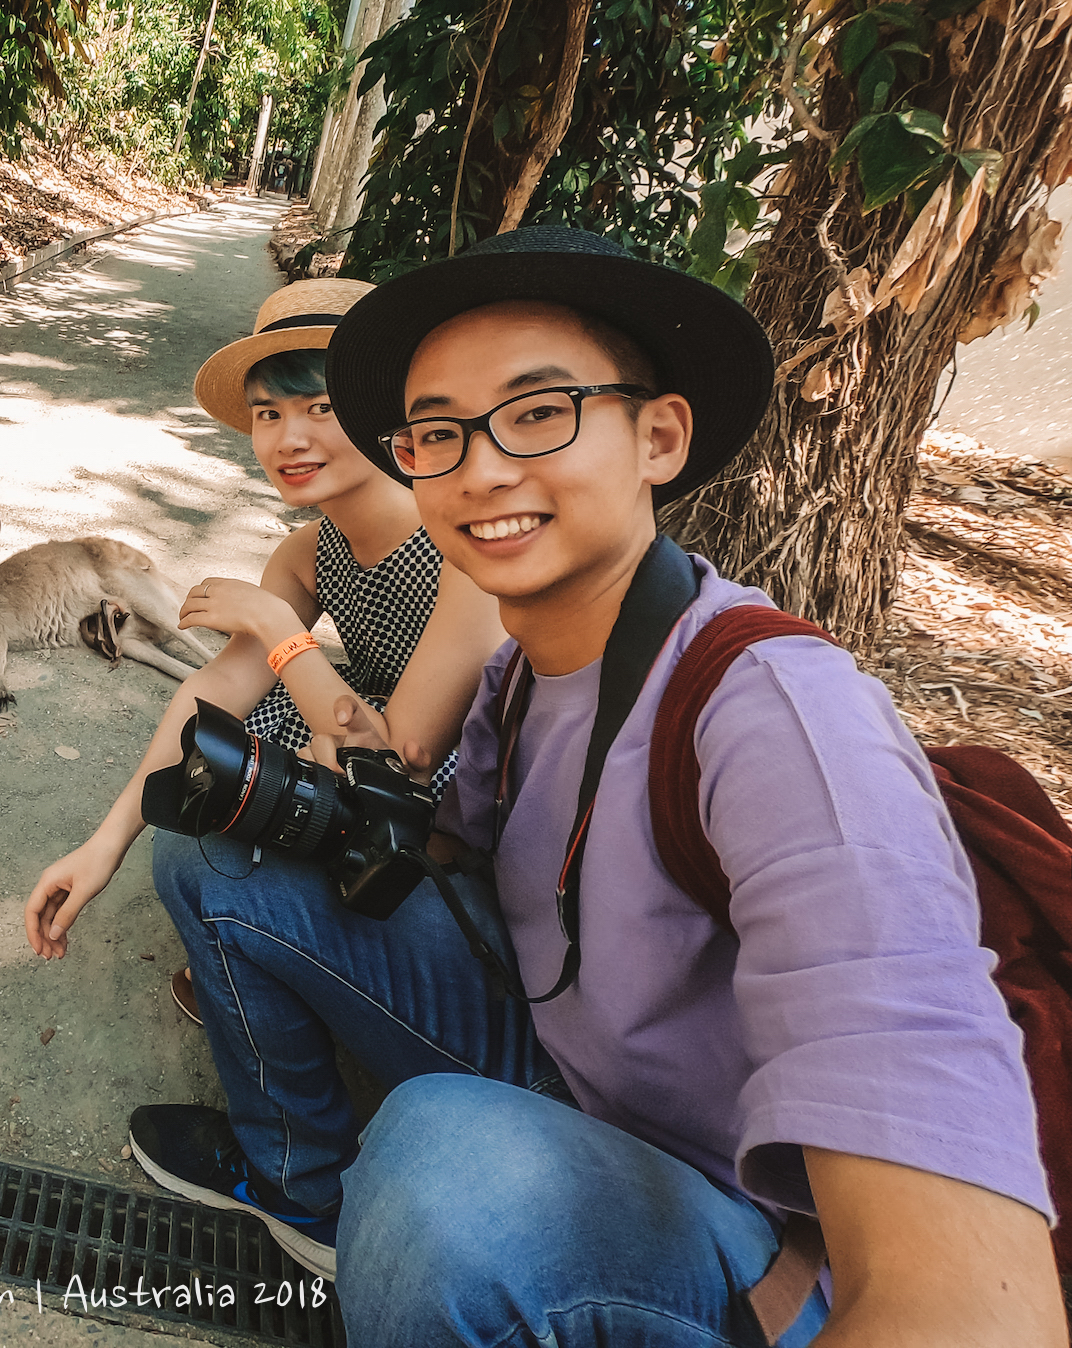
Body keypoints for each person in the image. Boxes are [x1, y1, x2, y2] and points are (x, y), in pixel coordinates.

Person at [136, 224, 1063, 1344]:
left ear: (658, 436)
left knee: (445, 1174)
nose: (480, 469)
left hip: (728, 1207)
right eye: (436, 433)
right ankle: (312, 1191)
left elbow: (971, 1309)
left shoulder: (779, 721)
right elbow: (438, 851)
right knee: (215, 849)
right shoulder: (525, 671)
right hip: (552, 1046)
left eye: (538, 414)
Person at [21, 278, 505, 1270]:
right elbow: (211, 696)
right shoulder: (310, 546)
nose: (288, 434)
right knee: (227, 758)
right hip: (403, 841)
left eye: (320, 406)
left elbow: (394, 757)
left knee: (250, 785)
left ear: (386, 411)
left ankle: (302, 1182)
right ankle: (275, 967)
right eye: (267, 412)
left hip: (475, 895)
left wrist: (281, 631)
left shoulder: (457, 540)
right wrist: (104, 841)